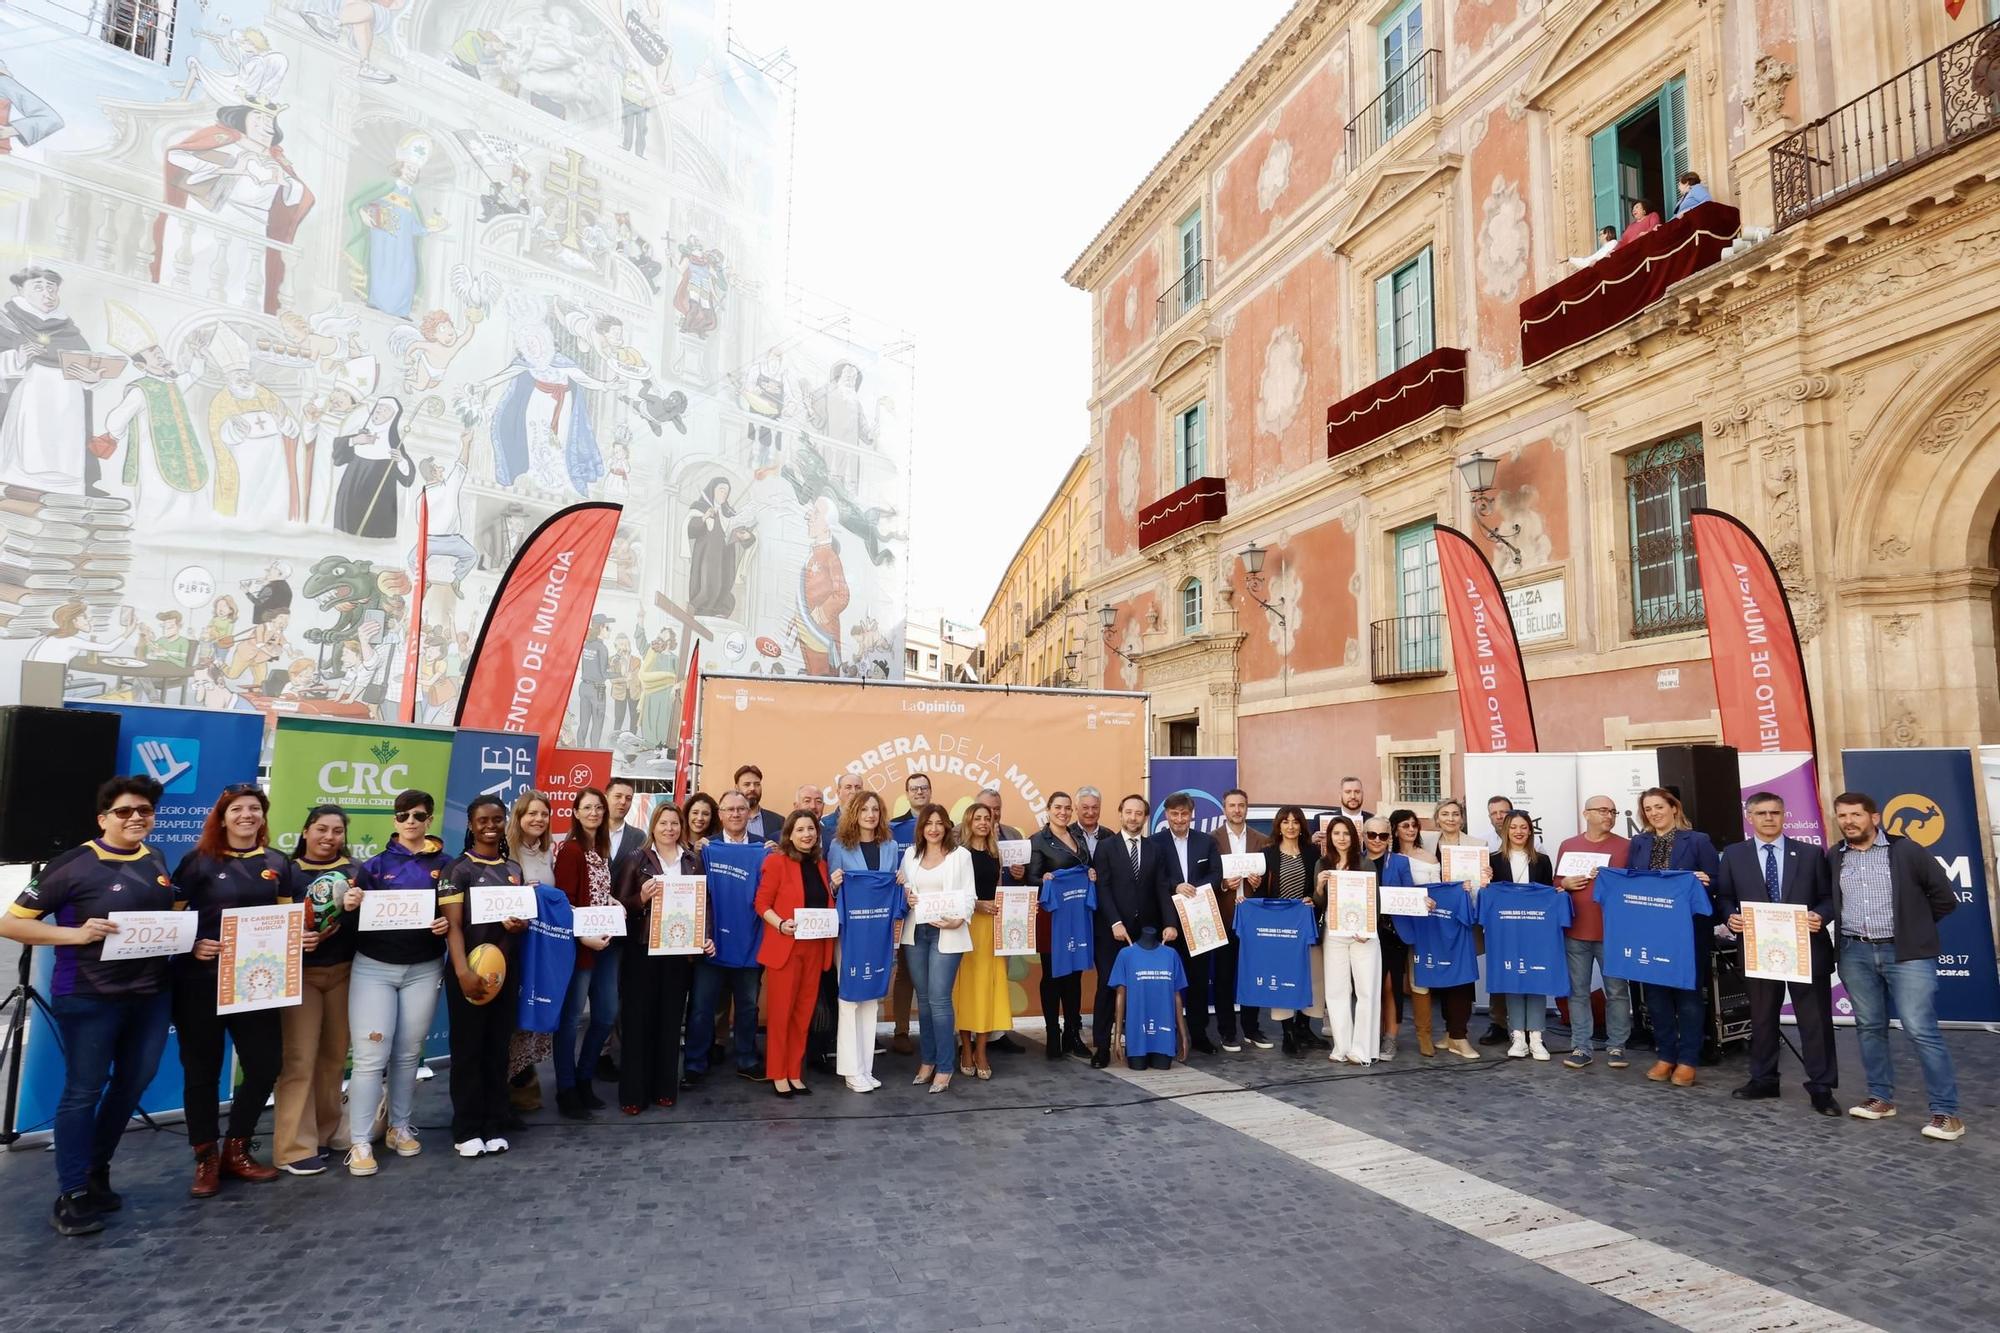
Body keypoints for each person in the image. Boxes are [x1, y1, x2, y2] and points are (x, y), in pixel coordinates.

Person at [2, 777, 173, 1236]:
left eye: (144, 811)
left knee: (134, 1081)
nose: (136, 817)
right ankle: (71, 1192)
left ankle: (96, 1168)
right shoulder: (73, 863)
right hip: (89, 996)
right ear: (103, 819)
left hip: (150, 996)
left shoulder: (155, 859)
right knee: (84, 1090)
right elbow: (12, 924)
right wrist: (73, 935)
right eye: (124, 812)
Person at [170, 783, 292, 1195]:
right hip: (201, 982)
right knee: (202, 1070)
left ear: (263, 815)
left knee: (264, 1064)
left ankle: (236, 1149)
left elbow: (289, 917)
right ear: (222, 817)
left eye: (254, 808)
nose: (247, 815)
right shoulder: (198, 861)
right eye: (237, 809)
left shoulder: (277, 862)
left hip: (257, 983)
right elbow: (172, 920)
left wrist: (301, 938)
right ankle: (205, 1157)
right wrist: (192, 944)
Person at [1828, 792, 1963, 1139]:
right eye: (1842, 816)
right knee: (1869, 1027)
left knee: (1920, 1029)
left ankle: (1947, 1113)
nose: (1849, 821)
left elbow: (1944, 898)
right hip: (1854, 952)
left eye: (1856, 815)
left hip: (1906, 954)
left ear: (1874, 818)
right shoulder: (1834, 856)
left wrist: (1913, 928)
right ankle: (1881, 1098)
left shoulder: (1906, 851)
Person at [340, 788, 453, 1177]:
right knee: (370, 1058)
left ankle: (399, 1126)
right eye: (403, 815)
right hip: (375, 967)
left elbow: (454, 913)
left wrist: (445, 923)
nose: (410, 822)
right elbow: (352, 923)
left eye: (418, 816)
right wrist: (351, 907)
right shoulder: (372, 866)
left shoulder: (447, 864)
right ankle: (358, 1141)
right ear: (394, 820)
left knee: (408, 1054)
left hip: (423, 967)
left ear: (429, 819)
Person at [1715, 791, 1838, 1116]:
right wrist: (1730, 916)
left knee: (1815, 1022)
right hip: (1758, 949)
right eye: (1762, 813)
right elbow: (1724, 897)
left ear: (1785, 816)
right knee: (1762, 1018)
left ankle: (1822, 1087)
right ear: (1749, 817)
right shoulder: (1734, 854)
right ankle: (1764, 1079)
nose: (1769, 818)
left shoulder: (1811, 854)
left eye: (1775, 813)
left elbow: (1828, 898)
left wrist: (1821, 916)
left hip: (1806, 949)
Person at [439, 794, 529, 1158]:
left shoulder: (514, 870)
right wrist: (462, 971)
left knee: (496, 1050)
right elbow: (453, 927)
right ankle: (466, 1128)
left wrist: (519, 924)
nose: (490, 826)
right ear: (471, 825)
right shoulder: (456, 870)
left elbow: (518, 923)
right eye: (483, 820)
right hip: (469, 973)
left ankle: (494, 1122)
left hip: (504, 974)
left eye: (496, 819)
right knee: (467, 1052)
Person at [275, 804, 359, 1176]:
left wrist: (361, 905)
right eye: (321, 829)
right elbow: (266, 923)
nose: (329, 837)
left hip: (344, 973)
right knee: (298, 1060)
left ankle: (324, 1134)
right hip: (301, 975)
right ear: (305, 831)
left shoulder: (356, 873)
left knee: (333, 1058)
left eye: (337, 831)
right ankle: (294, 1147)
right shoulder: (285, 873)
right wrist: (293, 937)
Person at [614, 803, 710, 1114]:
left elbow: (704, 903)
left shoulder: (693, 861)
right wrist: (641, 897)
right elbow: (620, 905)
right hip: (641, 951)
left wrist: (704, 937)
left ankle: (664, 1088)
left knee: (670, 1021)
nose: (669, 829)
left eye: (674, 823)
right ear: (653, 827)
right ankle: (633, 1094)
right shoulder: (635, 860)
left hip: (678, 952)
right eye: (663, 823)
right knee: (638, 1021)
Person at [1621, 786, 1719, 1088]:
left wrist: (1707, 880)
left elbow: (1718, 880)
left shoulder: (1698, 840)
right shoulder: (1639, 842)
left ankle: (1688, 1060)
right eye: (1648, 809)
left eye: (1659, 807)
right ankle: (1665, 1055)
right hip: (1650, 932)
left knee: (1688, 996)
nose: (1654, 813)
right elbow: (1631, 880)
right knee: (1656, 996)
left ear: (1674, 808)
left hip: (1688, 931)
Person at [685, 791, 765, 1084]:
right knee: (702, 1007)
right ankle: (695, 1062)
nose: (735, 814)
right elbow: (695, 895)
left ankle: (746, 1058)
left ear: (749, 813)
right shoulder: (707, 848)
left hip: (750, 943)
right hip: (712, 943)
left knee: (747, 1007)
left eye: (740, 809)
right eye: (729, 809)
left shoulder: (763, 848)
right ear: (720, 815)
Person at [827, 791, 904, 1091]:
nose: (870, 814)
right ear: (854, 813)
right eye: (864, 809)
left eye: (875, 809)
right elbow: (833, 893)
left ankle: (865, 1067)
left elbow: (893, 888)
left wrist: (900, 881)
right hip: (850, 934)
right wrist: (834, 886)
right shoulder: (839, 846)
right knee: (849, 999)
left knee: (871, 997)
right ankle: (850, 1069)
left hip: (878, 932)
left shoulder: (891, 845)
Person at [1091, 793, 1174, 1067]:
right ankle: (1102, 1046)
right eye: (1128, 812)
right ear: (1120, 813)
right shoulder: (1105, 847)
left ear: (1145, 817)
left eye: (1139, 813)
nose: (1133, 817)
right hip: (1111, 931)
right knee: (1107, 985)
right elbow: (1102, 887)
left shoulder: (1154, 849)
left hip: (1145, 934)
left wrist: (1170, 923)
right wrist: (1115, 921)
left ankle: (1142, 1043)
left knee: (1144, 988)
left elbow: (1162, 888)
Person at [756, 811, 835, 1097]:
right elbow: (761, 903)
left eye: (811, 829)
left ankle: (794, 1071)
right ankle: (778, 1073)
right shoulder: (776, 862)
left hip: (814, 948)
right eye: (800, 829)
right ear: (789, 834)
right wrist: (780, 924)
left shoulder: (822, 866)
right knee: (780, 1015)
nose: (806, 834)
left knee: (804, 1014)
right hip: (785, 948)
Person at [552, 787, 619, 1119]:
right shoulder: (571, 850)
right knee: (571, 1019)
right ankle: (566, 1088)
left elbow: (599, 893)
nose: (594, 812)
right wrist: (584, 936)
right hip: (580, 947)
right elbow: (565, 902)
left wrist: (614, 902)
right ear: (575, 812)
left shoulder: (601, 850)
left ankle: (584, 1078)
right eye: (587, 807)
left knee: (606, 1014)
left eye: (599, 807)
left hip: (605, 945)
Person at [898, 803, 974, 1092]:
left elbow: (970, 894)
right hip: (917, 932)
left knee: (940, 999)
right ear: (921, 828)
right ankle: (927, 1060)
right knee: (925, 998)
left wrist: (959, 918)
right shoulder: (910, 855)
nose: (933, 828)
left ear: (947, 826)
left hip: (949, 933)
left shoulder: (960, 856)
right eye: (928, 823)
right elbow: (905, 891)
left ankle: (945, 1066)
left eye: (939, 823)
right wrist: (908, 897)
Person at [1555, 795, 1632, 1071]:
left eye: (1613, 811)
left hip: (1612, 931)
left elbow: (1633, 885)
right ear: (1585, 813)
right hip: (1576, 929)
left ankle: (1617, 1045)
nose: (1609, 815)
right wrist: (1565, 882)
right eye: (1602, 810)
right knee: (1578, 991)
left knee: (1617, 991)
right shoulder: (1568, 845)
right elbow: (1557, 884)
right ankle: (1581, 1046)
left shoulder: (1626, 846)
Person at [1153, 791, 1229, 1054]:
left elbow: (1217, 873)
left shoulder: (1206, 842)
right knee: (1166, 981)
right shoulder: (1155, 842)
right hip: (1168, 923)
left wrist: (1193, 887)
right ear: (1166, 815)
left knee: (1198, 981)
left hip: (1200, 922)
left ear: (1192, 814)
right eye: (1174, 814)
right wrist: (1176, 886)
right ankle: (1167, 1035)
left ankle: (1198, 1035)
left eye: (1184, 813)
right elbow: (1155, 879)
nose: (1179, 819)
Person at [1026, 791, 1092, 1059]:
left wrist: (1091, 873)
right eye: (1058, 808)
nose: (1063, 812)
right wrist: (1046, 878)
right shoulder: (1038, 840)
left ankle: (1072, 1033)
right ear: (1048, 810)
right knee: (1053, 976)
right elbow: (1031, 878)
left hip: (1076, 915)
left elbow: (1085, 866)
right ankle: (1052, 1033)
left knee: (1074, 976)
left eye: (1067, 808)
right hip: (1052, 918)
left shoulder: (1078, 836)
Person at [1488, 810, 1556, 1060]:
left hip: (1536, 929)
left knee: (1536, 978)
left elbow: (1548, 896)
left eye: (1523, 827)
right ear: (1506, 830)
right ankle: (1518, 1036)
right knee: (1513, 978)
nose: (1519, 831)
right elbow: (1489, 897)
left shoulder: (1543, 861)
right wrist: (1484, 883)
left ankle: (1536, 1037)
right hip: (1507, 929)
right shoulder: (1493, 861)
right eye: (1514, 827)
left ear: (1530, 830)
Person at [1256, 806, 1324, 1056]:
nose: (1291, 826)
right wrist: (1248, 897)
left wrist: (1312, 899)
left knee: (1314, 976)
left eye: (1296, 822)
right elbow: (1262, 892)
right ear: (1279, 825)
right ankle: (1288, 1033)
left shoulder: (1312, 852)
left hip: (1307, 923)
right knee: (1283, 978)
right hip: (1279, 927)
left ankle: (1304, 1026)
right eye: (1286, 822)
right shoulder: (1268, 854)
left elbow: (1318, 890)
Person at [504, 790, 555, 1112]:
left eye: (544, 814)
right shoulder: (506, 854)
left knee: (529, 1019)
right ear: (519, 817)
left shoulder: (548, 852)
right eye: (532, 814)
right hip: (511, 945)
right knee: (510, 1017)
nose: (538, 819)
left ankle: (523, 1084)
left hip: (542, 945)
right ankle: (506, 1089)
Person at [954, 802, 1010, 1079]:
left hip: (991, 928)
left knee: (989, 988)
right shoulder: (958, 854)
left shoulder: (994, 853)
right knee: (966, 989)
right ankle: (965, 1047)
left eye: (987, 818)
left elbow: (999, 890)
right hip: (966, 925)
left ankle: (982, 1050)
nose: (983, 822)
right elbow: (955, 892)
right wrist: (977, 906)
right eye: (977, 818)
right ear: (968, 821)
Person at [1215, 788, 1269, 1048]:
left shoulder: (1262, 840)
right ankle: (1227, 1030)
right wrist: (1224, 885)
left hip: (1253, 919)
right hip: (1224, 917)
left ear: (1247, 808)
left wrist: (1259, 884)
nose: (1237, 810)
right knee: (1224, 976)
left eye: (1241, 805)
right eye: (1232, 805)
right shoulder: (1211, 840)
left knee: (1252, 974)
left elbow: (1272, 883)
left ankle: (1251, 1028)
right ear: (1224, 809)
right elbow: (1205, 878)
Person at [886, 771, 932, 1052]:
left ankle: (936, 1029)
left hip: (940, 911)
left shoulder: (946, 826)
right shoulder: (893, 828)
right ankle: (901, 1030)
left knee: (938, 975)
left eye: (924, 788)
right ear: (907, 793)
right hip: (907, 911)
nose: (919, 792)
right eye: (914, 788)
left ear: (930, 791)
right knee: (905, 973)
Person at [1109, 926, 1188, 1070]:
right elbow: (1120, 996)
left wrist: (1184, 1036)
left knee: (1163, 1065)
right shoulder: (1126, 954)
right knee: (1137, 1066)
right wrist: (1117, 1038)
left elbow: (1176, 996)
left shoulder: (1171, 954)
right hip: (1137, 1035)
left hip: (1165, 1035)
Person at [734, 764, 782, 842]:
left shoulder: (778, 821)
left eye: (757, 784)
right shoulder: (727, 820)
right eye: (747, 784)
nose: (752, 788)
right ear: (736, 788)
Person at [605, 777, 642, 865]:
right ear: (605, 798)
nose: (623, 802)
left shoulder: (639, 837)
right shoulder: (589, 833)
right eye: (618, 796)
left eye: (628, 798)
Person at [822, 774, 863, 845]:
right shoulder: (825, 824)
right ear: (838, 792)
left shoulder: (871, 821)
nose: (854, 791)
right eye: (848, 787)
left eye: (858, 787)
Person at [1073, 787, 1107, 860]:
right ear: (1076, 809)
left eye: (1095, 807)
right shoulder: (1067, 834)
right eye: (1085, 807)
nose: (1090, 813)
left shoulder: (1109, 836)